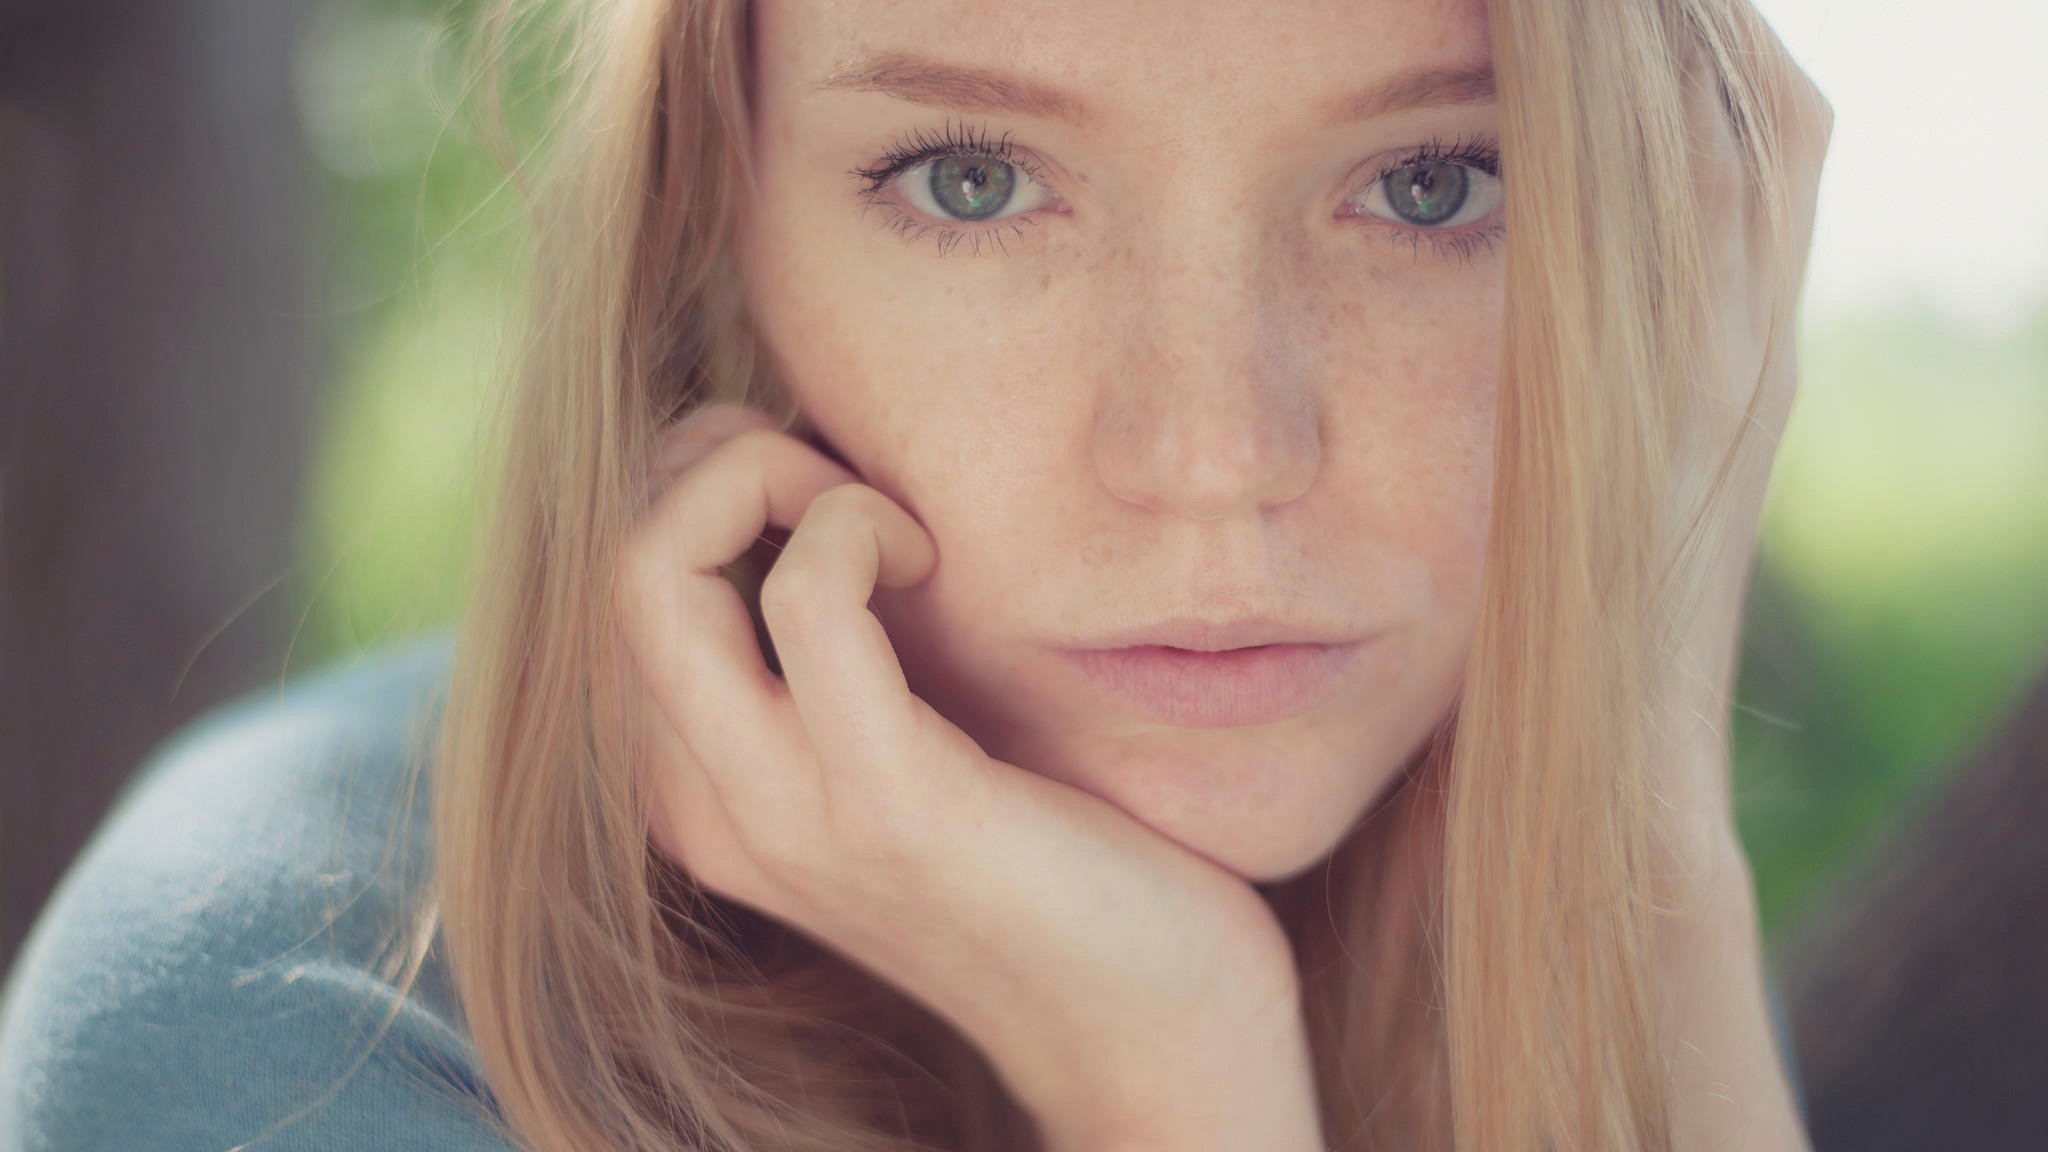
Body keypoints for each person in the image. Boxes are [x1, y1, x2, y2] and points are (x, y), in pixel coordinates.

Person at [0, 0, 1832, 1149]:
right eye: (973, 182)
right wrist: (1175, 1082)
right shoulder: (287, 1029)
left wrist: (1649, 855)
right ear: (709, 217)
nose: (1215, 453)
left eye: (1432, 185)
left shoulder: (1560, 891)